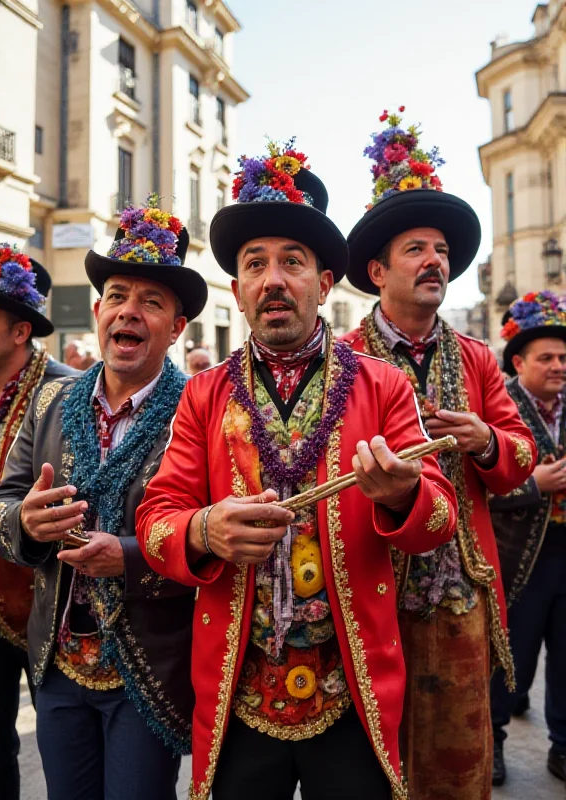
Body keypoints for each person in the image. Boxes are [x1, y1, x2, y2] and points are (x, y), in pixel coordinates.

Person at [135, 140, 458, 800]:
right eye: (255, 264)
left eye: (292, 262)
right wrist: (202, 530)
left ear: (324, 282)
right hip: (237, 690)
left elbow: (441, 515)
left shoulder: (383, 385)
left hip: (355, 686)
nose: (273, 279)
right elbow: (155, 519)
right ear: (237, 289)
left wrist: (400, 496)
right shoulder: (202, 395)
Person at [0, 197, 208, 800]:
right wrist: (26, 524)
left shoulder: (200, 410)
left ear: (177, 327)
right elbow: (3, 504)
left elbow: (207, 536)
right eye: (117, 296)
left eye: (150, 302)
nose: (128, 312)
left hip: (149, 666)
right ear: (98, 309)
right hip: (57, 666)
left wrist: (131, 556)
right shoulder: (52, 401)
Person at [341, 107, 537, 799]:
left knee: (456, 763)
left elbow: (517, 462)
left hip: (457, 594)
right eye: (417, 249)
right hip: (365, 587)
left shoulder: (479, 358)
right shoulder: (342, 361)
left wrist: (485, 440)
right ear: (376, 269)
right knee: (368, 765)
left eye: (443, 251)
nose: (436, 262)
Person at [0, 244, 74, 800]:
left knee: (63, 757)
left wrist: (0, 506)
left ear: (19, 332)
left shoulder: (64, 389)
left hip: (47, 600)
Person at [490, 291, 566, 787]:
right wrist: (534, 484)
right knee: (507, 649)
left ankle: (563, 744)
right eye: (547, 358)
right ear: (519, 362)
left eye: (564, 358)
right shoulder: (501, 407)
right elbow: (476, 489)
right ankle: (491, 737)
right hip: (517, 554)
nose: (559, 366)